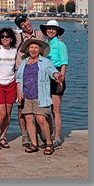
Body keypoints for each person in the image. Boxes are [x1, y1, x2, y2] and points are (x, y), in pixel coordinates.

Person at [16, 38, 63, 154]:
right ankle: (34, 144)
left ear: (40, 50)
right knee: (28, 119)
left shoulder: (45, 62)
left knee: (41, 119)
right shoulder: (24, 62)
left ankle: (49, 143)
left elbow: (53, 72)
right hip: (27, 95)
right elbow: (18, 79)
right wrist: (19, 93)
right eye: (31, 47)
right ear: (27, 49)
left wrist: (58, 76)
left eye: (36, 48)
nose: (33, 50)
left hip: (40, 95)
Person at [14, 14, 52, 147]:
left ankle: (46, 135)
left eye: (25, 21)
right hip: (21, 76)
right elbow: (4, 41)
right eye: (21, 24)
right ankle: (26, 135)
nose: (25, 24)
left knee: (43, 107)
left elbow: (51, 36)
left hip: (40, 76)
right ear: (20, 27)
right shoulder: (18, 38)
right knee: (22, 108)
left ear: (29, 20)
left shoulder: (40, 34)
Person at [40, 20, 68, 149]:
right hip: (45, 77)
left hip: (56, 76)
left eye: (53, 29)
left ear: (57, 32)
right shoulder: (45, 44)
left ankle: (57, 137)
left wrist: (61, 79)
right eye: (49, 28)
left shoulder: (60, 44)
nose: (50, 31)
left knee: (56, 110)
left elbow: (64, 63)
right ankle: (49, 134)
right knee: (47, 109)